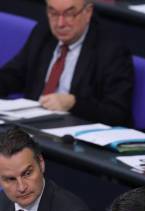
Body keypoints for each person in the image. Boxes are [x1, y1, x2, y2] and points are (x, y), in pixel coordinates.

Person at [0, 0, 133, 126]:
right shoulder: (44, 32)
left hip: (76, 135)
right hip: (33, 125)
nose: (60, 23)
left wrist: (74, 103)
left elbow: (117, 112)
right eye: (53, 13)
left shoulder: (111, 50)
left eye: (69, 14)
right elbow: (14, 74)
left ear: (88, 12)